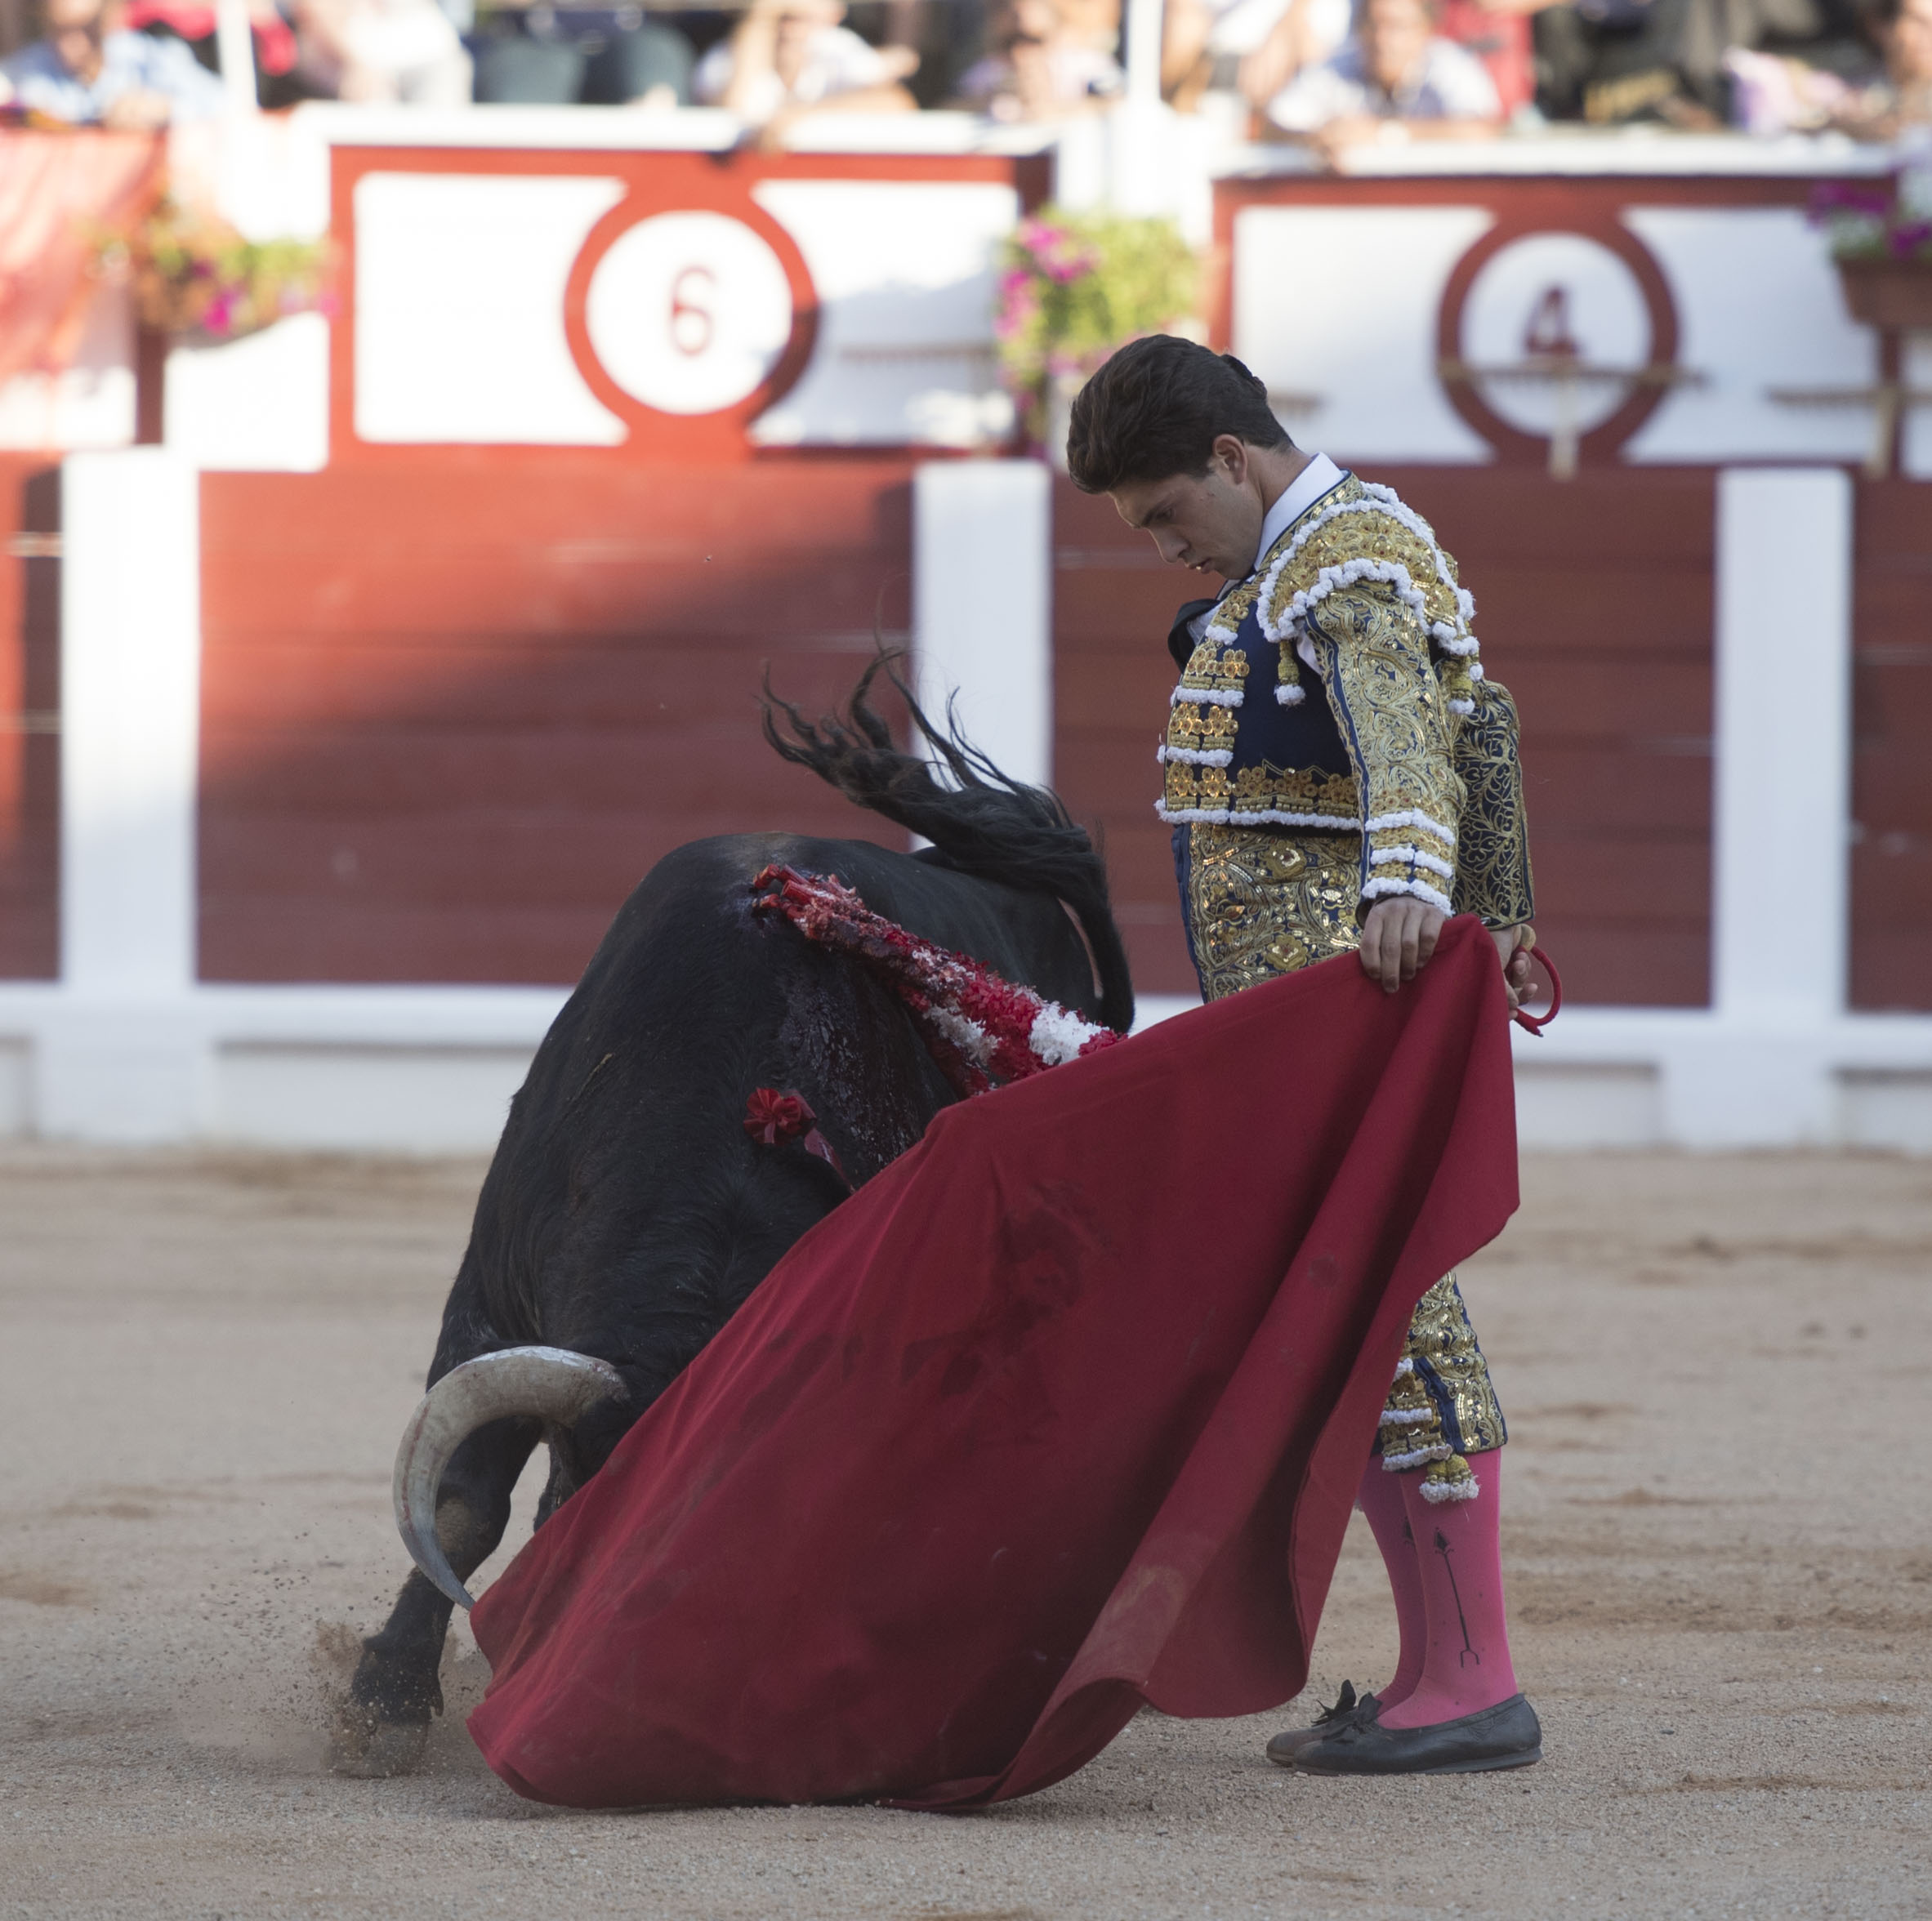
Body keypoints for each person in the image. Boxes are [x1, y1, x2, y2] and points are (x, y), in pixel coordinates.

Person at [1067, 335, 1542, 1776]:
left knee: (1393, 1303)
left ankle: (1470, 1680)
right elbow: (1487, 729)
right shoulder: (1295, 562)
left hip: (1343, 995)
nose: (1165, 548)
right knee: (1362, 1303)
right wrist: (1504, 908)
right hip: (1306, 1009)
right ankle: (1445, 1670)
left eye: (1166, 514)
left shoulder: (1342, 554)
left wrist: (1413, 884)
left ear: (1231, 458)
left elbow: (1409, 726)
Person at [1265, 0, 1505, 161]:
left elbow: (1483, 132)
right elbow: (1271, 127)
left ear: (1425, 30)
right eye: (1373, 25)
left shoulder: (1452, 66)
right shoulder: (1334, 67)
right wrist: (1317, 139)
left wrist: (1383, 134)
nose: (1382, 39)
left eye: (1396, 26)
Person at [693, 0, 917, 138]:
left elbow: (897, 102)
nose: (790, 29)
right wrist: (759, 20)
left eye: (799, 18)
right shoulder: (726, 57)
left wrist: (802, 114)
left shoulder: (834, 46)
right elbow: (735, 109)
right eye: (782, 18)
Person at [0, 0, 225, 123]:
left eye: (85, 28)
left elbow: (227, 105)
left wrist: (164, 109)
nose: (71, 44)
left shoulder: (149, 58)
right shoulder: (25, 71)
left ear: (111, 17)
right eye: (59, 30)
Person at [957, 0, 1122, 118]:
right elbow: (956, 105)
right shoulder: (990, 69)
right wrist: (990, 103)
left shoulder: (1087, 63)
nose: (1022, 18)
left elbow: (1117, 102)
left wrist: (1056, 109)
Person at [287, 0, 471, 104]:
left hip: (430, 58)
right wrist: (355, 64)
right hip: (351, 61)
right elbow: (315, 10)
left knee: (447, 80)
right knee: (374, 99)